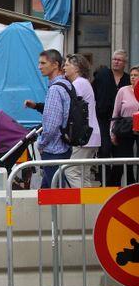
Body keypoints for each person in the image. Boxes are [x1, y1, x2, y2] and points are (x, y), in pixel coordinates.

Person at [24, 50, 72, 189]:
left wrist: (41, 143)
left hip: (54, 149)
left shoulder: (55, 89)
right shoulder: (66, 85)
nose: (39, 66)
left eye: (43, 63)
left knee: (58, 191)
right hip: (64, 145)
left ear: (55, 65)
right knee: (48, 189)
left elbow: (51, 125)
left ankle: (69, 211)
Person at [63, 54, 101, 188]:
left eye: (67, 65)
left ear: (77, 68)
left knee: (70, 171)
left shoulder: (78, 84)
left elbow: (70, 108)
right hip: (91, 134)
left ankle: (81, 204)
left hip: (84, 135)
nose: (64, 67)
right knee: (83, 173)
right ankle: (88, 206)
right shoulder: (83, 82)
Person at [93, 50, 129, 167]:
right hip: (103, 119)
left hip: (121, 122)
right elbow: (93, 93)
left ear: (125, 63)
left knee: (120, 152)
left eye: (119, 60)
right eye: (114, 59)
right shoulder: (102, 75)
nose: (116, 62)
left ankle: (116, 181)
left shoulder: (128, 79)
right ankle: (104, 180)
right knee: (104, 149)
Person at [110, 65, 139, 187]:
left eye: (136, 75)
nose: (133, 77)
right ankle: (127, 186)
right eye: (131, 75)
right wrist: (112, 132)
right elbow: (115, 113)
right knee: (124, 159)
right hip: (125, 128)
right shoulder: (123, 90)